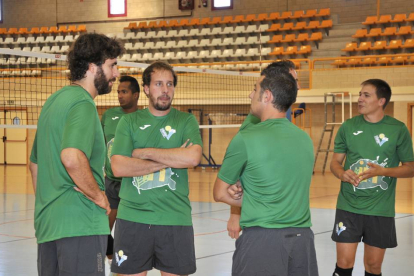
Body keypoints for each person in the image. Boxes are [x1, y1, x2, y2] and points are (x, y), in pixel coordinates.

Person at [29, 33, 124, 276]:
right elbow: (71, 157)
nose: (116, 73)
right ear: (93, 67)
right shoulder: (83, 104)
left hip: (48, 225)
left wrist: (51, 205)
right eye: (112, 65)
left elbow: (34, 165)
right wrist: (99, 197)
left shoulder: (53, 101)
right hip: (80, 225)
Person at [213, 65, 318, 276]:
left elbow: (219, 193)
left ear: (267, 96)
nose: (251, 94)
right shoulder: (305, 139)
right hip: (303, 240)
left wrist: (255, 200)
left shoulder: (246, 138)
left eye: (255, 89)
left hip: (263, 240)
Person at [110, 61, 202, 276]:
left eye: (170, 84)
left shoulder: (185, 120)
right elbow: (119, 166)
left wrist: (143, 152)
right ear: (146, 88)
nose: (165, 90)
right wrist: (173, 157)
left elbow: (193, 157)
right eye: (159, 84)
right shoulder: (129, 122)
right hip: (133, 218)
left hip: (175, 218)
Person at [330, 79, 414, 276]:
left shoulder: (398, 129)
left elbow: (411, 168)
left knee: (373, 266)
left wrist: (382, 172)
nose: (360, 99)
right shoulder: (348, 127)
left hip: (380, 209)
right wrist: (342, 173)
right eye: (360, 94)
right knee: (343, 263)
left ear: (381, 101)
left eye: (366, 95)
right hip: (348, 207)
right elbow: (335, 163)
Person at [227, 60, 301, 240]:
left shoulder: (284, 113)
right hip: (263, 220)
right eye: (293, 79)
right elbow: (238, 170)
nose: (297, 86)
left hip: (285, 215)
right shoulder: (256, 120)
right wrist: (235, 215)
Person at [101, 75, 140, 262]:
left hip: (131, 183)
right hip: (110, 181)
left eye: (124, 91)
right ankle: (102, 264)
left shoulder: (142, 119)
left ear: (136, 95)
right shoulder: (108, 115)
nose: (119, 95)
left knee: (127, 233)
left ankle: (124, 268)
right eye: (118, 91)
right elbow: (100, 144)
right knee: (102, 230)